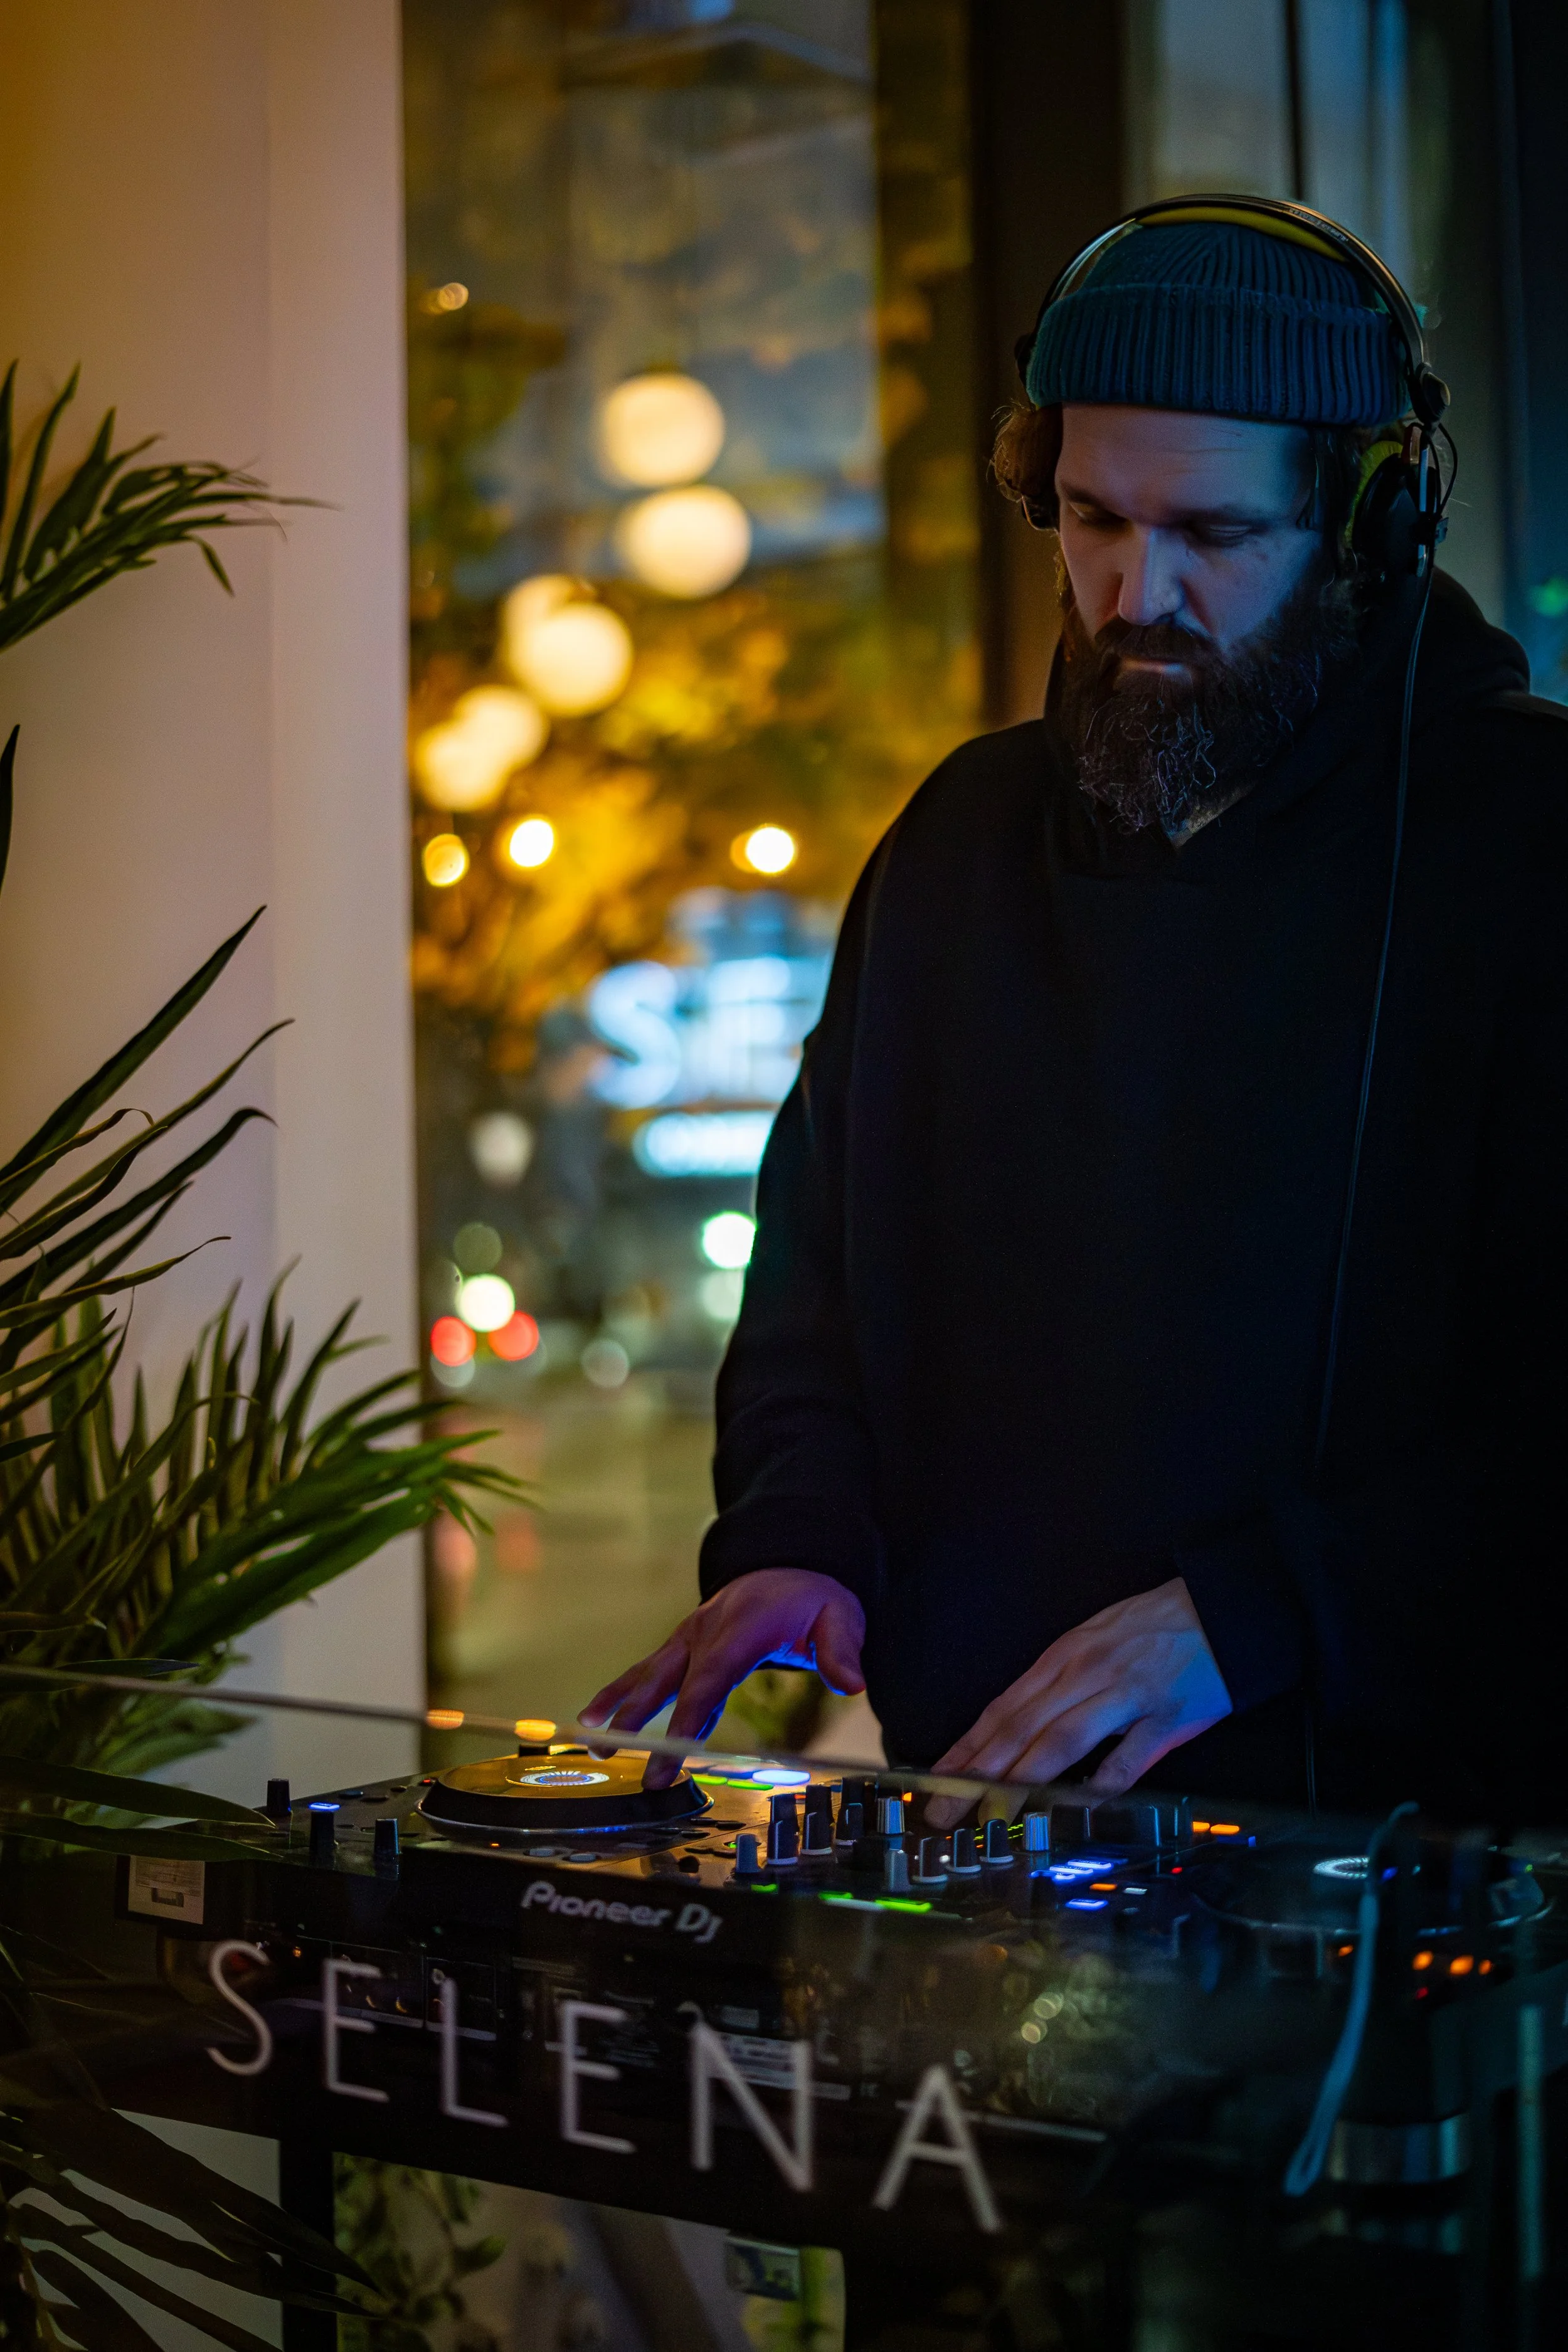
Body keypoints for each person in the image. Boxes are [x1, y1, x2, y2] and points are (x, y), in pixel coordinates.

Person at [585, 203, 1568, 1826]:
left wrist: (1257, 1618)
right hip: (992, 1829)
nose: (1135, 592)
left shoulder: (1525, 841)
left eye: (1211, 531)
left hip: (1425, 1863)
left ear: (1367, 520)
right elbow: (815, 1279)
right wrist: (794, 1538)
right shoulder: (961, 839)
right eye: (1093, 519)